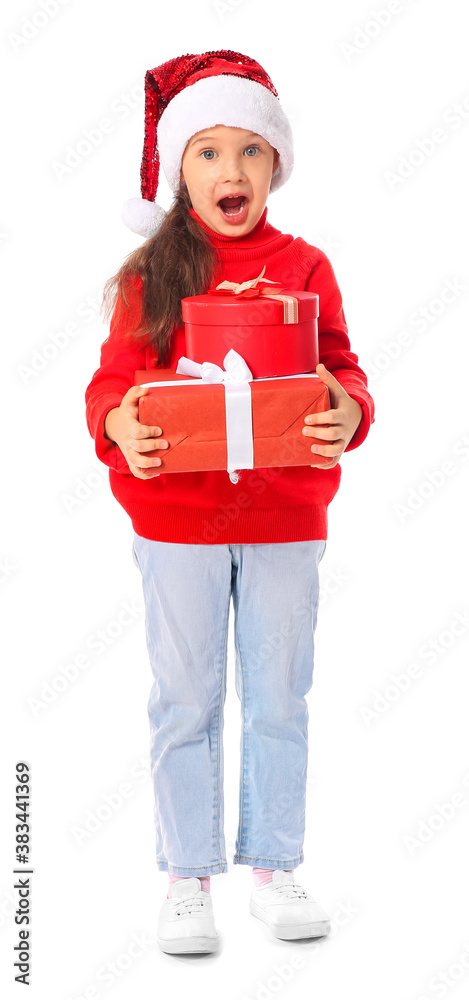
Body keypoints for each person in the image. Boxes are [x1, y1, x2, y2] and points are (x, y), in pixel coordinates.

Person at [85, 49, 375, 956]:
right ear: (178, 169)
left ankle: (274, 863)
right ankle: (186, 875)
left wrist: (346, 408)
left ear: (275, 165)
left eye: (249, 151)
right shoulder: (149, 276)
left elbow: (347, 373)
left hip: (286, 518)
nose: (230, 171)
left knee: (279, 694)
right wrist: (118, 427)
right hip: (176, 523)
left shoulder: (307, 265)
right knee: (185, 696)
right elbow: (110, 386)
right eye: (207, 152)